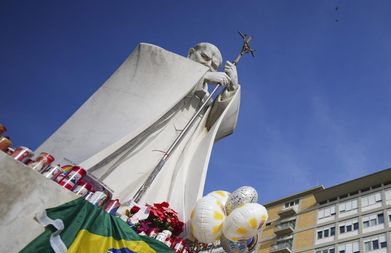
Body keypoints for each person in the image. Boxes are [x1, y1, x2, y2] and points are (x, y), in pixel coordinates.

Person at [39, 42, 241, 216]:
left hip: (169, 155)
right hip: (144, 139)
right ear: (191, 53)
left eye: (213, 65)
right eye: (204, 57)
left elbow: (213, 127)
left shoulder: (205, 99)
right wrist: (200, 77)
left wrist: (231, 89)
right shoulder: (167, 69)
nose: (208, 64)